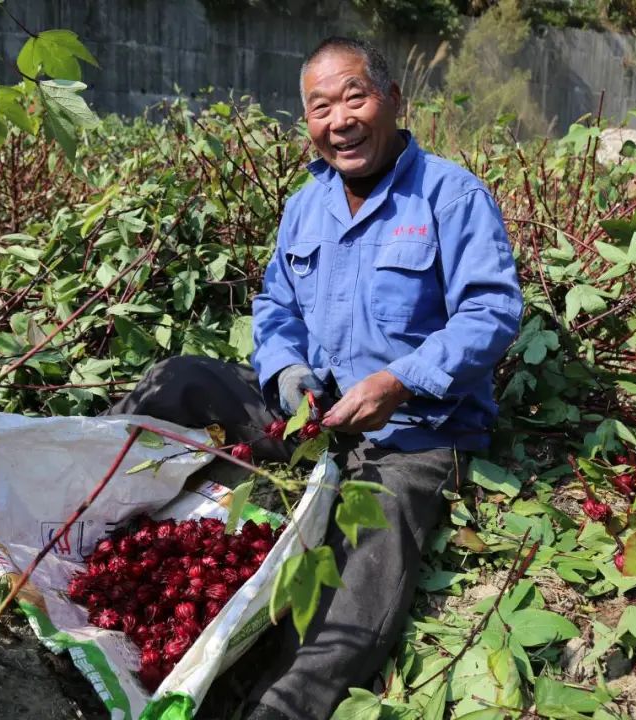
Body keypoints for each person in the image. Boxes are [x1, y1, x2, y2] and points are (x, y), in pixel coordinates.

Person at [110, 37, 522, 720]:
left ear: (393, 100)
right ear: (308, 123)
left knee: (364, 570)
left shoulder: (451, 195)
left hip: (410, 434)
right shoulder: (307, 204)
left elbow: (492, 310)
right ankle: (75, 518)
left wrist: (400, 381)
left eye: (354, 97)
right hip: (308, 419)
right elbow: (275, 308)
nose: (339, 120)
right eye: (320, 107)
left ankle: (280, 708)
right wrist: (289, 374)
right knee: (179, 379)